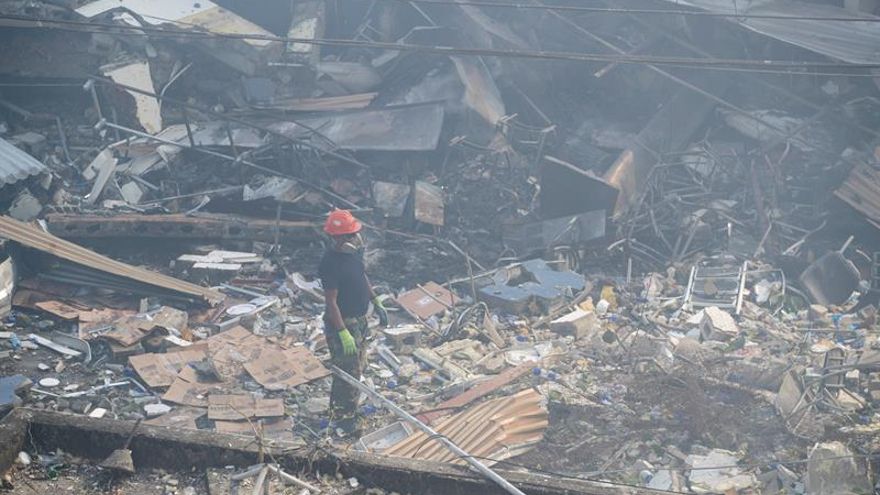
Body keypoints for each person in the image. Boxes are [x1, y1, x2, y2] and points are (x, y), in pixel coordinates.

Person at [318, 209, 388, 435]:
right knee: (345, 372)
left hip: (360, 319)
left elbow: (361, 276)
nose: (354, 239)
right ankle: (341, 417)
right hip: (343, 322)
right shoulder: (329, 263)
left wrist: (374, 299)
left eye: (354, 234)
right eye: (349, 235)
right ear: (336, 238)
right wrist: (341, 331)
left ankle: (351, 409)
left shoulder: (354, 255)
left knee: (358, 367)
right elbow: (331, 302)